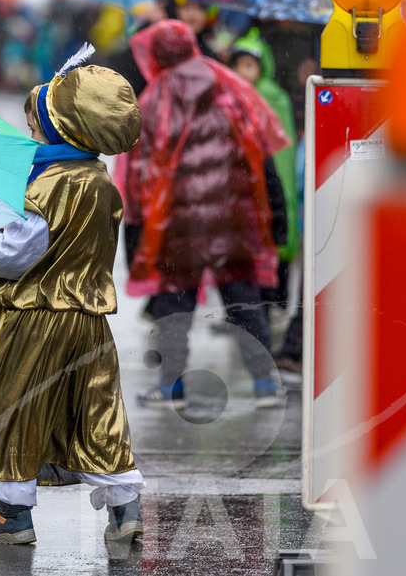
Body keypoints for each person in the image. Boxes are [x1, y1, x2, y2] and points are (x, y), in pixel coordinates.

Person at [0, 46, 146, 545]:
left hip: (34, 317)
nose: (29, 136)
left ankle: (11, 516)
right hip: (88, 319)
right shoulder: (100, 181)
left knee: (18, 408)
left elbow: (12, 256)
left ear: (62, 130)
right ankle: (125, 507)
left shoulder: (45, 187)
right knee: (96, 411)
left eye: (35, 128)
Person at [124, 20, 291, 410]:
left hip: (178, 226)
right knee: (243, 300)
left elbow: (139, 174)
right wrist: (276, 215)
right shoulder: (228, 89)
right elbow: (259, 155)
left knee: (174, 307)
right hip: (232, 219)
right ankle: (266, 381)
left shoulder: (152, 101)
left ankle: (171, 386)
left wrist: (135, 235)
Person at [230, 28, 300, 310]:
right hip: (250, 177)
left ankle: (274, 299)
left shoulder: (273, 96)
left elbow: (281, 147)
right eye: (238, 65)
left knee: (276, 229)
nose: (243, 71)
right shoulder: (233, 94)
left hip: (271, 173)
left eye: (249, 65)